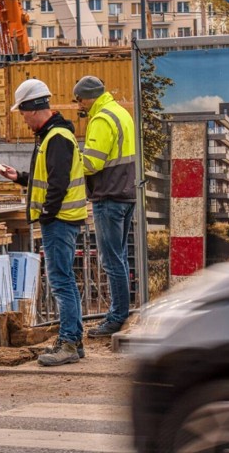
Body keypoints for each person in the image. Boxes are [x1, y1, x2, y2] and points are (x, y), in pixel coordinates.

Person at [0, 79, 88, 366]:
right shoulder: (51, 136)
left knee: (61, 282)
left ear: (32, 109)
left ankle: (69, 343)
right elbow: (45, 178)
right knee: (65, 281)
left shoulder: (56, 137)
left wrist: (47, 215)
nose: (23, 120)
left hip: (59, 220)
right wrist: (20, 177)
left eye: (22, 114)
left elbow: (58, 183)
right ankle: (74, 339)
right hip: (59, 219)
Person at [73, 76, 136, 338]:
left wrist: (70, 159)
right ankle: (121, 311)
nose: (79, 106)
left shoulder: (100, 119)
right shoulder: (120, 112)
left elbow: (92, 164)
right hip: (126, 193)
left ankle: (117, 316)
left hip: (109, 197)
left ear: (88, 97)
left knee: (111, 260)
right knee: (119, 257)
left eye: (79, 100)